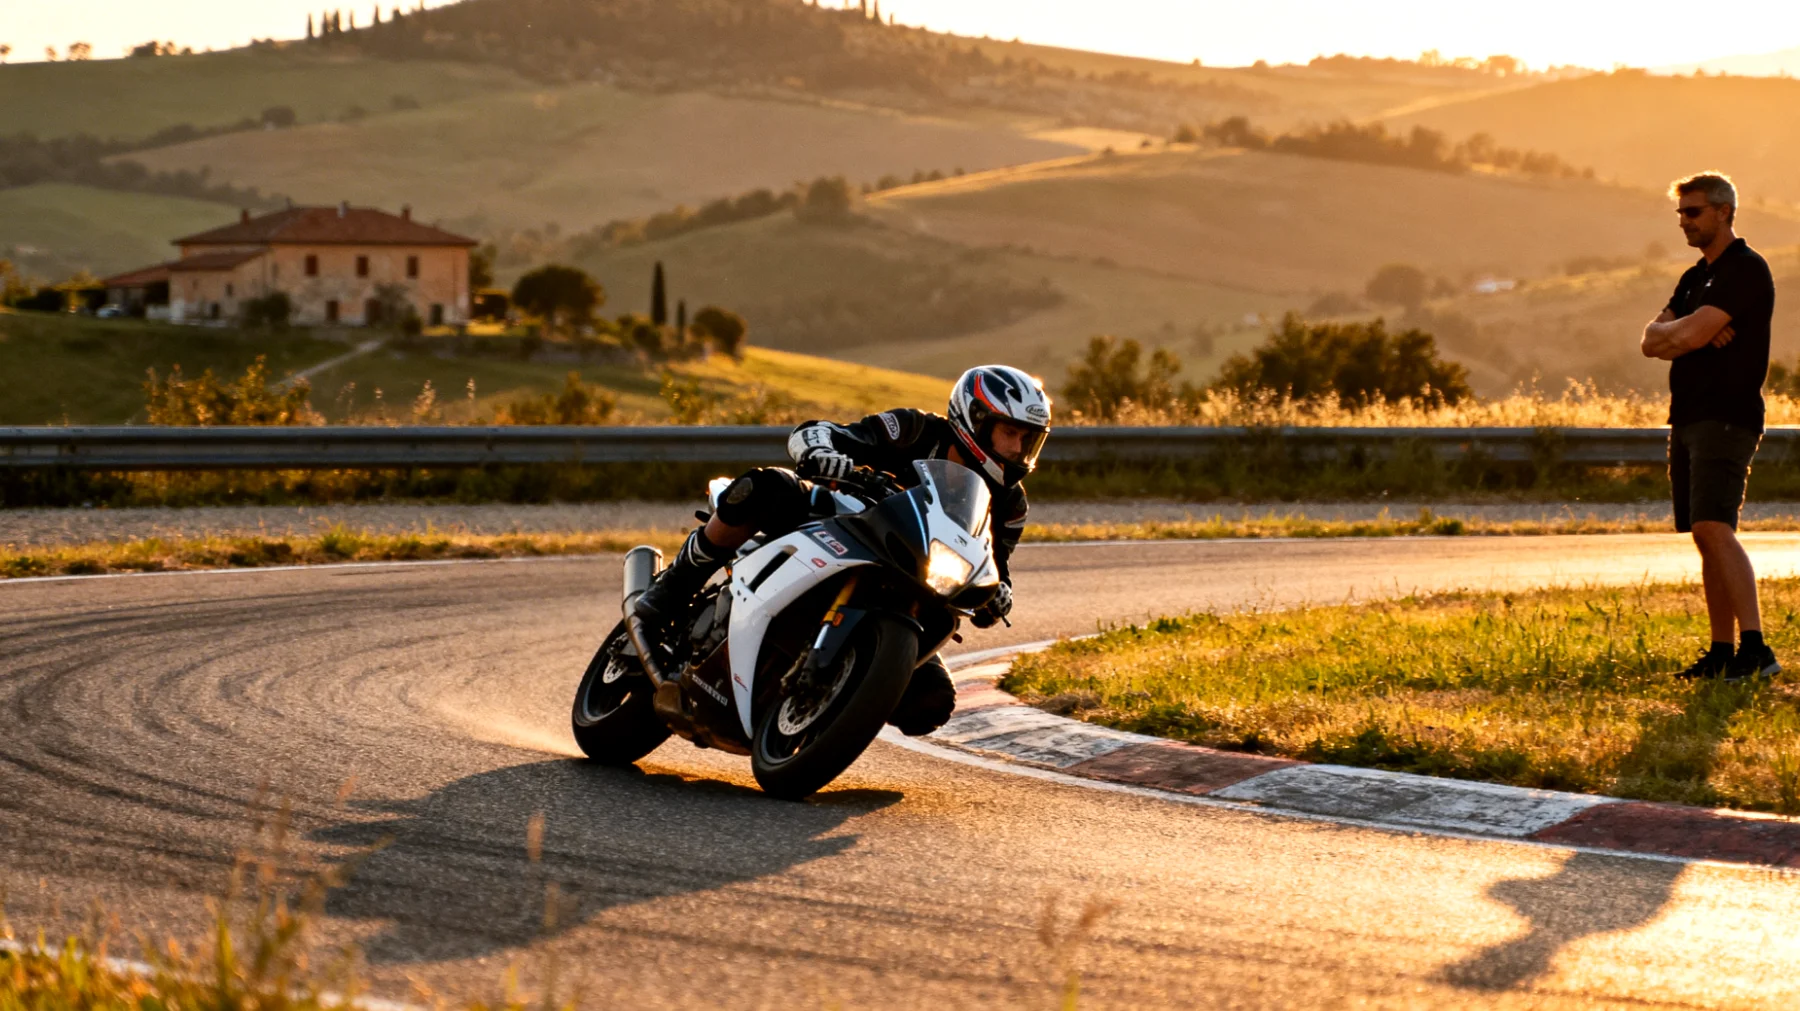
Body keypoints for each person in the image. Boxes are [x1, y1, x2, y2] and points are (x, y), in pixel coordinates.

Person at [632, 364, 1053, 734]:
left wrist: (999, 594)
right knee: (765, 487)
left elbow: (995, 565)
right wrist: (822, 451)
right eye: (1009, 433)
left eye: (1028, 438)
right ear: (975, 420)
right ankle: (674, 586)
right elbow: (827, 433)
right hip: (845, 518)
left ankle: (833, 705)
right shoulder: (915, 429)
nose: (1018, 449)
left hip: (913, 583)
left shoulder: (1011, 506)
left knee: (931, 703)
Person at [1640, 172, 1780, 681]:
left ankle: (1757, 650)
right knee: (1703, 535)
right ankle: (1722, 651)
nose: (1684, 222)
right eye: (1680, 213)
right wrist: (1692, 328)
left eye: (1693, 212)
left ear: (1724, 212)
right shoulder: (1693, 277)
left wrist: (1687, 331)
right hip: (1688, 415)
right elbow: (1649, 341)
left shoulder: (1745, 268)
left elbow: (1682, 336)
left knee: (1714, 527)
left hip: (1726, 416)